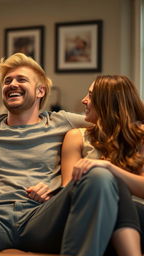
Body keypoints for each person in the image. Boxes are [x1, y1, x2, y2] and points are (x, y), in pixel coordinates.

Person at [0, 53, 132, 256]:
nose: (12, 84)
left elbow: (116, 121)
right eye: (7, 81)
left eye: (21, 79)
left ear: (40, 91)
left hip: (42, 215)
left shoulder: (62, 122)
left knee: (99, 175)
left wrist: (53, 193)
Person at [61, 75, 144, 255]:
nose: (84, 100)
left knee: (114, 183)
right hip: (94, 212)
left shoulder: (141, 136)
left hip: (139, 216)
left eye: (90, 95)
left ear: (109, 102)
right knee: (111, 185)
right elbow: (68, 190)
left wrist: (110, 168)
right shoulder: (76, 136)